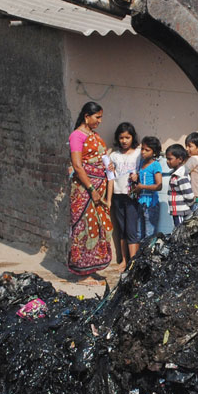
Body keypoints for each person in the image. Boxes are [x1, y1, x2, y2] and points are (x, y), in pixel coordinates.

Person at [67, 102, 113, 279]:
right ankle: (82, 273)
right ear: (87, 117)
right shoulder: (76, 136)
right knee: (84, 228)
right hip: (84, 190)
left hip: (100, 189)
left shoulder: (95, 136)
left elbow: (103, 159)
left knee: (98, 228)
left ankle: (92, 269)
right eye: (97, 117)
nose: (100, 121)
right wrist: (92, 188)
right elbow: (78, 166)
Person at [107, 122, 140, 271]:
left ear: (133, 138)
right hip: (117, 195)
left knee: (131, 229)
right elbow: (110, 178)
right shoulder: (114, 156)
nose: (124, 141)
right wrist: (109, 199)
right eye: (121, 138)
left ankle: (133, 262)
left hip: (132, 196)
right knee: (122, 229)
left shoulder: (138, 154)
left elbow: (144, 171)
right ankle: (124, 260)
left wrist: (137, 177)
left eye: (127, 137)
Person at [128, 136, 163, 257]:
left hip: (151, 203)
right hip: (141, 202)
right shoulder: (142, 164)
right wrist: (136, 178)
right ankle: (141, 258)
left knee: (150, 233)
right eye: (142, 149)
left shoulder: (155, 165)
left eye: (147, 150)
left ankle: (149, 258)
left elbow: (159, 185)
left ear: (154, 152)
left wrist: (142, 186)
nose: (143, 152)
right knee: (140, 232)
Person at [164, 143, 195, 226]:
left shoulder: (181, 176)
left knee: (181, 231)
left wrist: (186, 206)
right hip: (178, 212)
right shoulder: (175, 174)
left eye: (170, 159)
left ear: (180, 159)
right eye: (166, 159)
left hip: (181, 212)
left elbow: (189, 196)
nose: (167, 161)